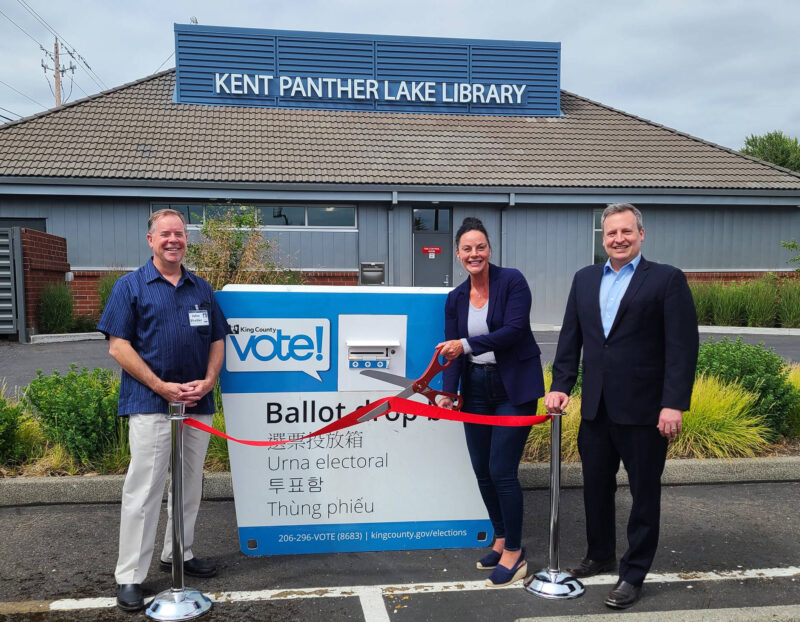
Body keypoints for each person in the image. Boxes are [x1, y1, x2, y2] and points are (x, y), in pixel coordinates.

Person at [544, 203, 698, 609]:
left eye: (626, 232)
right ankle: (600, 554)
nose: (618, 239)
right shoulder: (585, 279)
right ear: (603, 237)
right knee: (596, 486)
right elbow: (570, 340)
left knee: (644, 493)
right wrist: (561, 385)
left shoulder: (666, 280)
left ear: (641, 234)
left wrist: (674, 404)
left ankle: (633, 574)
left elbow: (682, 349)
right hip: (596, 407)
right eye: (611, 233)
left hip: (647, 412)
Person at [98, 208, 229, 612]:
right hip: (152, 403)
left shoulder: (201, 288)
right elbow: (118, 346)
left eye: (180, 234)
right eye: (166, 234)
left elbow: (217, 341)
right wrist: (160, 386)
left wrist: (208, 382)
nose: (174, 240)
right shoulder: (130, 286)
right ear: (151, 240)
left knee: (189, 485)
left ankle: (180, 553)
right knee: (145, 489)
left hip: (196, 401)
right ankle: (131, 577)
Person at [436, 216, 545, 588]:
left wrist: (465, 345)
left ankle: (515, 551)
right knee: (482, 469)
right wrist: (449, 394)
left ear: (489, 250)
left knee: (502, 471)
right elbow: (451, 352)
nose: (474, 254)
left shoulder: (512, 281)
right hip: (476, 389)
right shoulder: (454, 299)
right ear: (458, 254)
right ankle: (499, 538)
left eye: (480, 246)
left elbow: (513, 332)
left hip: (513, 388)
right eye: (467, 248)